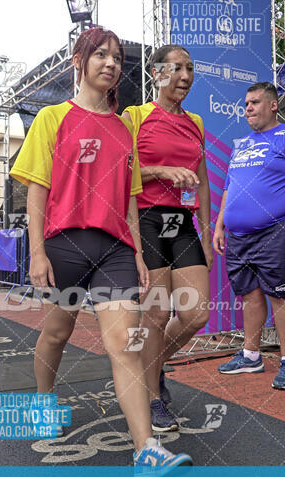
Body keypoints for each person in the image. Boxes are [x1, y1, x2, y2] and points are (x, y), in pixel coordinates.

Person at [10, 27, 193, 474]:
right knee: (57, 333)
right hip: (65, 244)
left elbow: (130, 196)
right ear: (79, 61)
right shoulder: (52, 118)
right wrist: (37, 252)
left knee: (123, 345)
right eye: (101, 55)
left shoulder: (123, 128)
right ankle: (42, 401)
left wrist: (135, 251)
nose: (111, 64)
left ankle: (146, 450)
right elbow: (37, 195)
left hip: (115, 251)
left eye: (116, 58)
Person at [122, 44, 212, 432]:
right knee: (157, 314)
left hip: (183, 222)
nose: (185, 76)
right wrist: (160, 170)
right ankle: (154, 399)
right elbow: (121, 176)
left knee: (196, 314)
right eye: (177, 68)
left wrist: (206, 232)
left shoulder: (196, 122)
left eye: (190, 69)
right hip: (146, 218)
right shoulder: (135, 116)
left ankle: (151, 370)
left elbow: (203, 181)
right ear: (157, 73)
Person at [213, 82, 285, 390]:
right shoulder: (241, 143)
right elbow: (230, 185)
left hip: (274, 230)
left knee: (279, 296)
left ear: (272, 105)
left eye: (254, 103)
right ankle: (251, 355)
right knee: (249, 295)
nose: (248, 109)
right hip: (238, 236)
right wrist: (219, 225)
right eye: (245, 104)